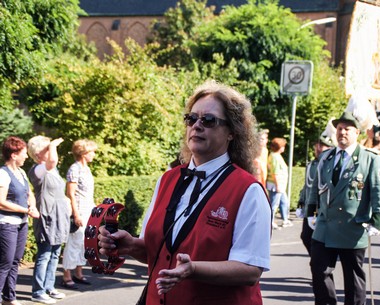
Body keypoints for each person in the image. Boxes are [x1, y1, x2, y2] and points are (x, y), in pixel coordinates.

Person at [98, 81, 271, 305]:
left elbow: (250, 270)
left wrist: (194, 269)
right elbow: (159, 251)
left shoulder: (248, 190)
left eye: (208, 120)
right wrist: (131, 245)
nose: (197, 125)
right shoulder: (167, 180)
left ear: (231, 132)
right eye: (191, 118)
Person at [307, 111, 380, 305]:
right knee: (319, 269)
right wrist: (311, 212)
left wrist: (377, 219)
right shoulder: (326, 157)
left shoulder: (370, 159)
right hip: (325, 225)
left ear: (357, 133)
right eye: (339, 129)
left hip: (352, 226)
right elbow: (316, 187)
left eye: (347, 129)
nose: (342, 133)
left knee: (353, 277)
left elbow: (379, 191)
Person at [27, 136, 71, 304]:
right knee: (44, 254)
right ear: (39, 154)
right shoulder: (38, 170)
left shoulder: (52, 170)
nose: (52, 151)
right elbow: (52, 160)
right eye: (48, 148)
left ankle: (49, 287)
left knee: (54, 254)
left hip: (59, 216)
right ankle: (38, 291)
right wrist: (53, 144)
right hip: (47, 216)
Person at [0, 136, 39, 305]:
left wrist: (33, 207)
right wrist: (26, 210)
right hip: (6, 224)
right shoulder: (3, 173)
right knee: (5, 263)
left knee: (15, 261)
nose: (26, 156)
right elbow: (1, 201)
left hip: (21, 224)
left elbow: (29, 193)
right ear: (14, 155)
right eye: (23, 153)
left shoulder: (21, 172)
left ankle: (9, 298)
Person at [61, 139, 98, 289]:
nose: (94, 155)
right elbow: (71, 194)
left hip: (88, 208)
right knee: (74, 242)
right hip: (79, 209)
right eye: (91, 152)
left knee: (84, 242)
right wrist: (76, 214)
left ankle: (78, 272)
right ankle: (66, 275)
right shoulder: (74, 169)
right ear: (83, 153)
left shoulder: (87, 169)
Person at [298, 122, 336, 255]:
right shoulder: (312, 164)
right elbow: (307, 186)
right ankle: (316, 260)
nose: (318, 148)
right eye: (318, 145)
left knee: (317, 240)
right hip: (309, 207)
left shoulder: (328, 164)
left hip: (320, 209)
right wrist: (301, 203)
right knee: (306, 237)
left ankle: (318, 262)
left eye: (323, 145)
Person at [266, 137, 293, 229]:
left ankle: (285, 220)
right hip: (276, 185)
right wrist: (278, 186)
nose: (284, 148)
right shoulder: (275, 157)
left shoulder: (274, 155)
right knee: (274, 205)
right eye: (283, 146)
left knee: (284, 202)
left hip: (279, 185)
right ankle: (270, 222)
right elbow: (275, 173)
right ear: (280, 147)